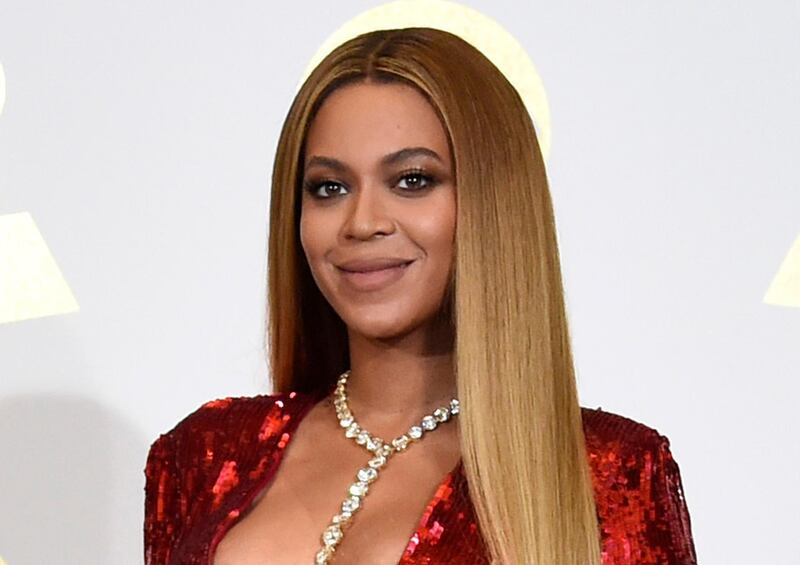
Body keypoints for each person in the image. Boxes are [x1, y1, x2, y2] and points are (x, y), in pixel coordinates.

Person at [143, 27, 697, 565]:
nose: (361, 223)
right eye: (329, 187)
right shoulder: (203, 456)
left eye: (412, 180)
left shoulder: (610, 474)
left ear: (492, 203)